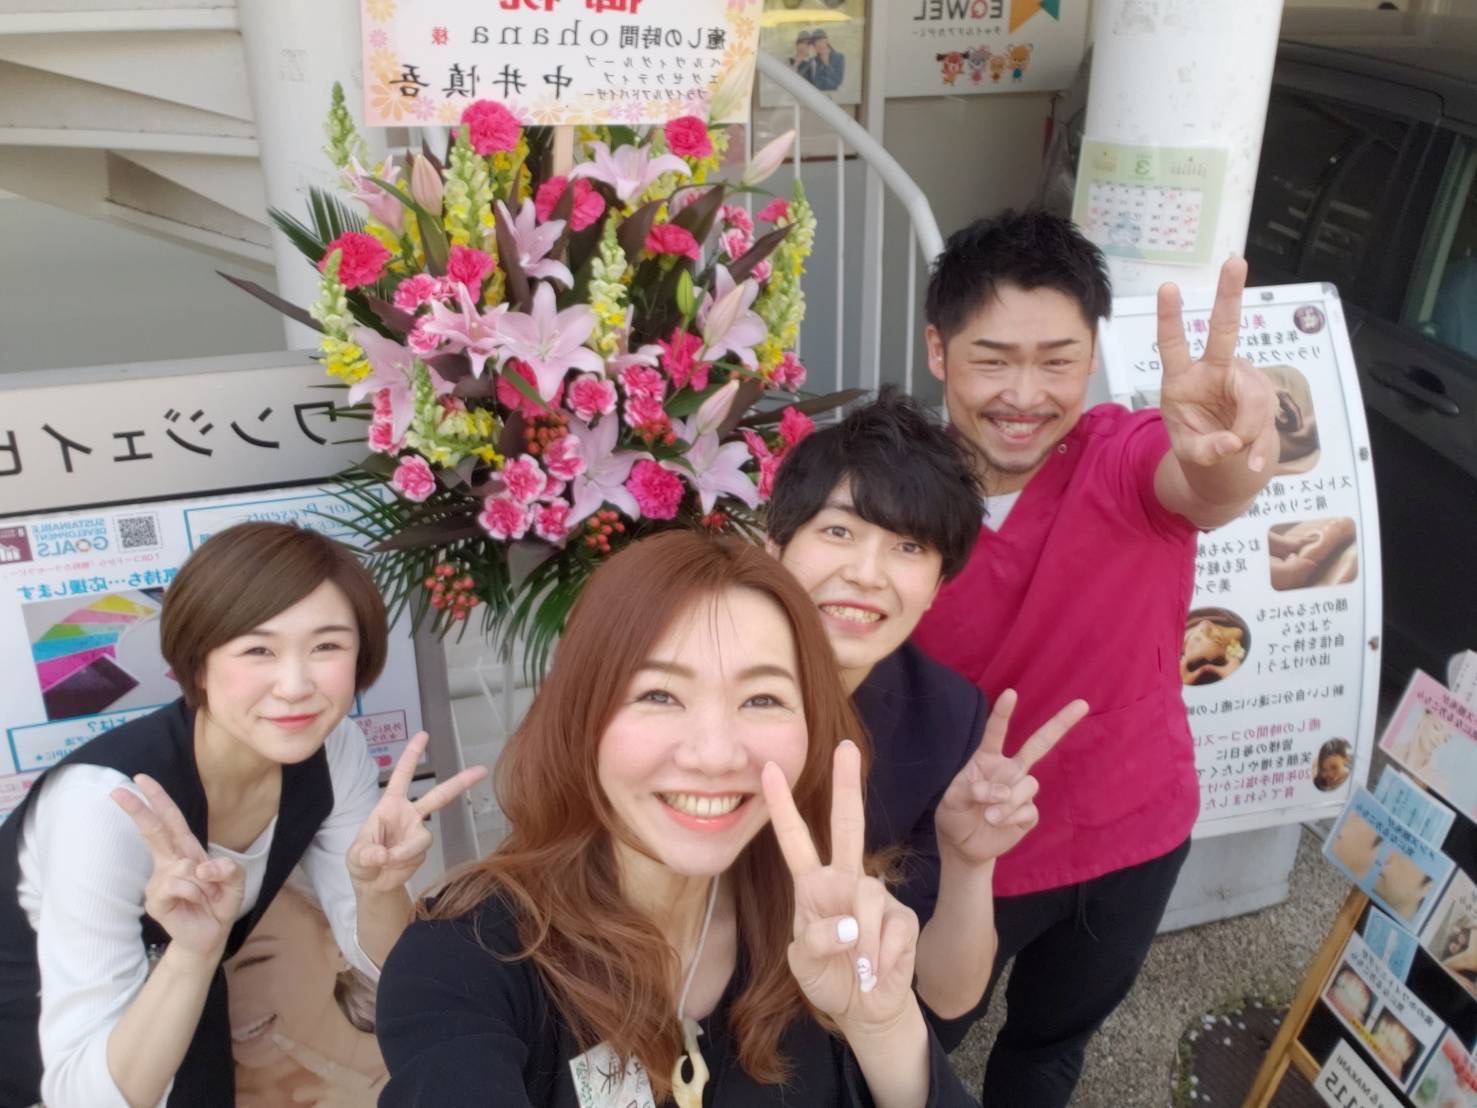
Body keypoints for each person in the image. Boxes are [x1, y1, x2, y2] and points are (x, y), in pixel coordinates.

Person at [374, 532, 986, 1107]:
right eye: (659, 695)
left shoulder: (822, 931)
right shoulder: (466, 959)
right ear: (581, 716)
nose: (715, 756)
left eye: (763, 699)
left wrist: (884, 1028)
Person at [913, 209, 1280, 1105]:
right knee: (904, 1048)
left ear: (1092, 356)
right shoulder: (893, 490)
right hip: (955, 847)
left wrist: (1232, 453)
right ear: (937, 351)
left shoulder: (1120, 455)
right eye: (992, 359)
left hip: (1131, 835)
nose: (1023, 395)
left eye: (1057, 361)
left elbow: (1204, 482)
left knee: (1048, 1049)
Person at [0, 521, 485, 1108]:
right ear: (198, 664)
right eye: (258, 650)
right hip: (36, 1054)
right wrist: (192, 956)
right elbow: (86, 1098)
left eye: (327, 647)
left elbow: (389, 967)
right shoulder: (103, 809)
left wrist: (378, 891)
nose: (295, 686)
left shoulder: (333, 750)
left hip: (186, 989)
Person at [766, 388, 1086, 1022]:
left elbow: (947, 996)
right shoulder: (692, 679)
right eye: (838, 530)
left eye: (908, 547)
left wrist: (969, 864)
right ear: (774, 547)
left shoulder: (947, 720)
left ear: (938, 587)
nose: (867, 574)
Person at [228, 870, 386, 1107]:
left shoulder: (422, 1070)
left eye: (255, 961)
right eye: (209, 979)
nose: (229, 996)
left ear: (339, 947)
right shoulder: (189, 1094)